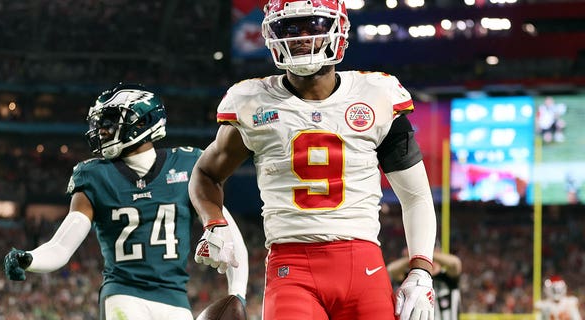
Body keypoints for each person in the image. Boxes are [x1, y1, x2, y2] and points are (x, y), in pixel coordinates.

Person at [187, 1, 437, 319]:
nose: (302, 36)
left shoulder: (376, 94)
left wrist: (421, 270)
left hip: (363, 265)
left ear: (338, 31)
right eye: (290, 28)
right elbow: (206, 174)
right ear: (271, 35)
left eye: (313, 25)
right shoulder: (252, 101)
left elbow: (415, 196)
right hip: (291, 270)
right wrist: (214, 222)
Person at [3, 83, 249, 320]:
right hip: (124, 294)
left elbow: (224, 230)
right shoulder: (95, 175)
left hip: (175, 299)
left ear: (142, 122)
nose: (101, 131)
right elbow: (62, 246)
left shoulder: (188, 165)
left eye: (109, 123)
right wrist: (31, 259)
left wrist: (237, 293)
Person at [387, 247, 462, 320]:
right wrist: (417, 258)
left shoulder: (448, 279)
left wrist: (427, 254)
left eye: (434, 259)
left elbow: (456, 263)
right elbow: (391, 270)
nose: (431, 263)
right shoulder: (412, 279)